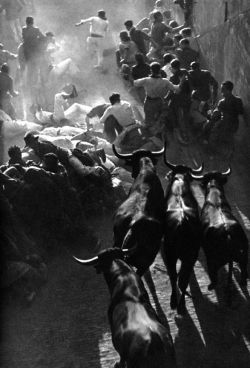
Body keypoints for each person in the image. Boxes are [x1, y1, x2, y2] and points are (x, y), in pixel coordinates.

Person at [133, 61, 184, 132]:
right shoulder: (165, 81)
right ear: (160, 70)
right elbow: (177, 89)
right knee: (162, 119)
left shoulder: (146, 80)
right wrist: (181, 81)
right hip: (161, 102)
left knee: (148, 122)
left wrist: (129, 75)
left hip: (149, 103)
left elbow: (134, 83)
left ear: (151, 70)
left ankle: (151, 136)